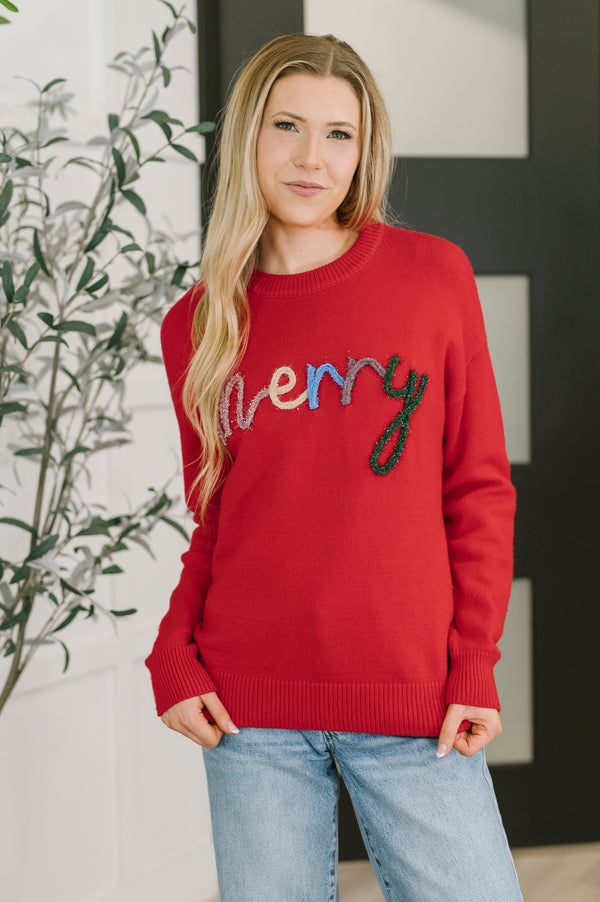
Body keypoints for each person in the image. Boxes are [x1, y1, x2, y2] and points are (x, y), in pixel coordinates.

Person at [146, 32, 524, 902]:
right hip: (249, 711)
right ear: (248, 137)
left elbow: (478, 487)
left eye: (339, 134)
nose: (313, 157)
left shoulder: (431, 277)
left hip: (412, 694)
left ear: (364, 151)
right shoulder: (198, 324)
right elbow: (218, 518)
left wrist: (474, 661)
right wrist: (174, 652)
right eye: (287, 125)